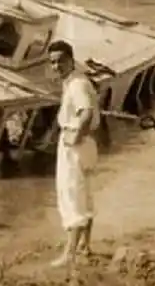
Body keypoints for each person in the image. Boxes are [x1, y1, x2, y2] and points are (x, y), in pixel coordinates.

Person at [47, 40, 100, 268]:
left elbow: (86, 113)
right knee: (84, 194)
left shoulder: (77, 84)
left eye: (60, 61)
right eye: (53, 62)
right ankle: (84, 246)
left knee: (71, 195)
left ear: (71, 59)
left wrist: (74, 138)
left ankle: (70, 254)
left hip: (75, 143)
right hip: (85, 142)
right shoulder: (75, 81)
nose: (56, 66)